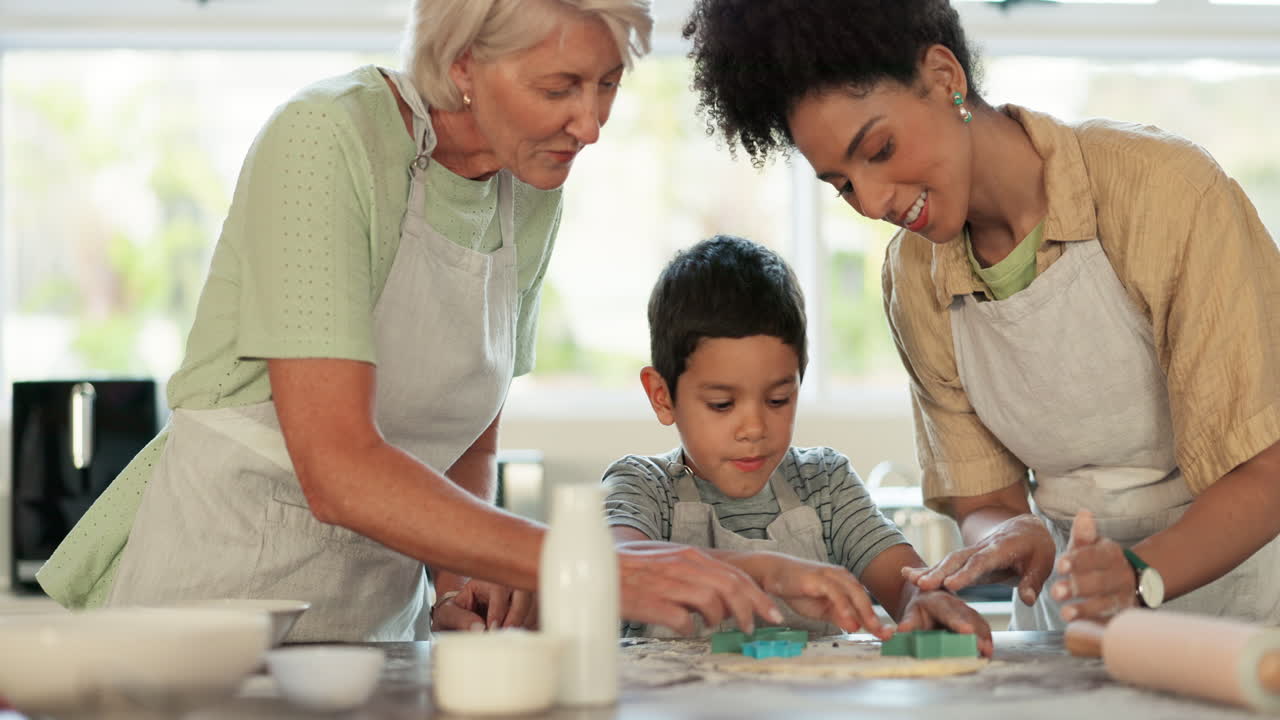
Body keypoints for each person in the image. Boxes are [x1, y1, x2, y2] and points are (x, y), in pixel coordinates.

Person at [34, 0, 786, 642]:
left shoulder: (528, 182)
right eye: (559, 87)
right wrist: (586, 567)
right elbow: (336, 468)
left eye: (609, 84)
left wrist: (466, 584)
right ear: (462, 65)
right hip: (212, 615)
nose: (589, 125)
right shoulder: (325, 140)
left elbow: (467, 433)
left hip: (375, 635)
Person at [681, 0, 1280, 631]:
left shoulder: (1166, 194)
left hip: (1244, 610)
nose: (875, 201)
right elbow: (985, 494)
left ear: (945, 78)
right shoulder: (914, 278)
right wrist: (1008, 531)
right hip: (1072, 624)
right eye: (844, 185)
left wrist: (1134, 572)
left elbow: (1266, 469)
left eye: (880, 149)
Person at [604, 235, 993, 653]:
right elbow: (614, 566)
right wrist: (767, 572)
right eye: (722, 404)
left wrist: (930, 603)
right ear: (663, 396)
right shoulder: (643, 487)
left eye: (777, 400)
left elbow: (905, 584)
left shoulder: (824, 484)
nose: (754, 427)